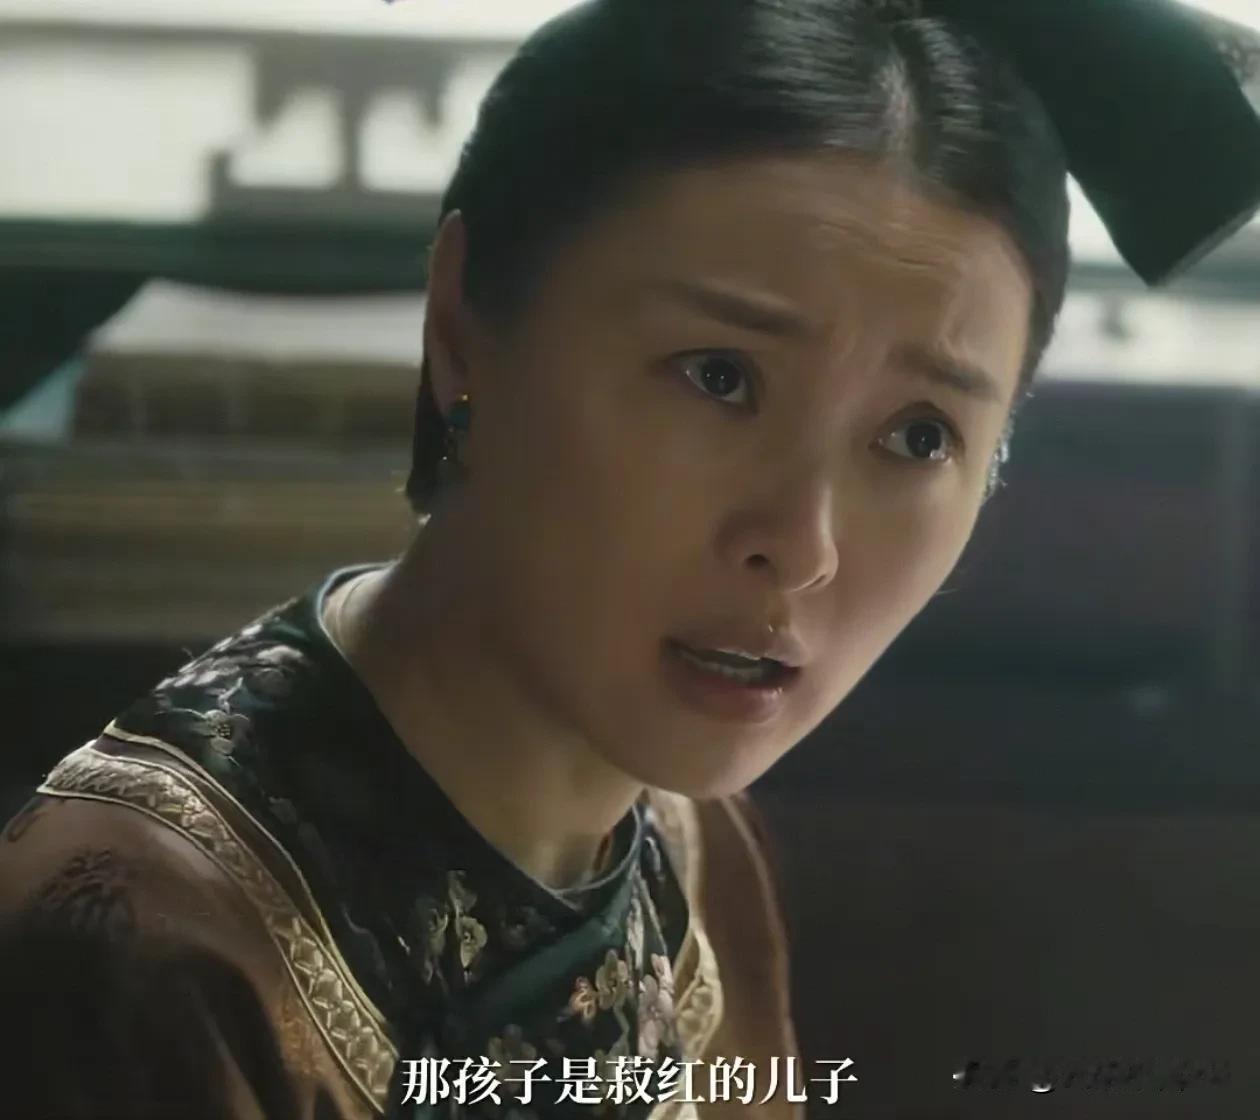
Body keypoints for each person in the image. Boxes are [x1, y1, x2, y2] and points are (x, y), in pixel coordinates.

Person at [2, 0, 1259, 1117]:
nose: (802, 546)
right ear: (464, 328)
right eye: (719, 377)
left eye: (920, 435)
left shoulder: (688, 841)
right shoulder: (141, 958)